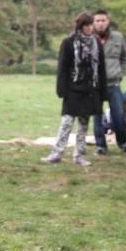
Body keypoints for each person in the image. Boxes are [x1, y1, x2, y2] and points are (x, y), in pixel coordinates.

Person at [42, 13, 107, 166]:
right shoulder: (68, 42)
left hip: (90, 89)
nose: (90, 28)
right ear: (80, 26)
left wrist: (102, 92)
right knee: (67, 122)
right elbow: (62, 67)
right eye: (87, 25)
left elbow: (101, 69)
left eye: (91, 25)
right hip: (73, 88)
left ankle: (79, 155)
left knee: (84, 124)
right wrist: (62, 89)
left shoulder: (96, 44)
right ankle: (56, 153)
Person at [92, 10, 126, 155]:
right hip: (95, 84)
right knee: (97, 116)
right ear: (94, 23)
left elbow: (124, 58)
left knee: (119, 114)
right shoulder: (90, 38)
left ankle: (123, 142)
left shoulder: (118, 37)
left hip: (113, 82)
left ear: (108, 21)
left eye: (103, 20)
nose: (100, 23)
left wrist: (121, 73)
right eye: (98, 21)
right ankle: (101, 146)